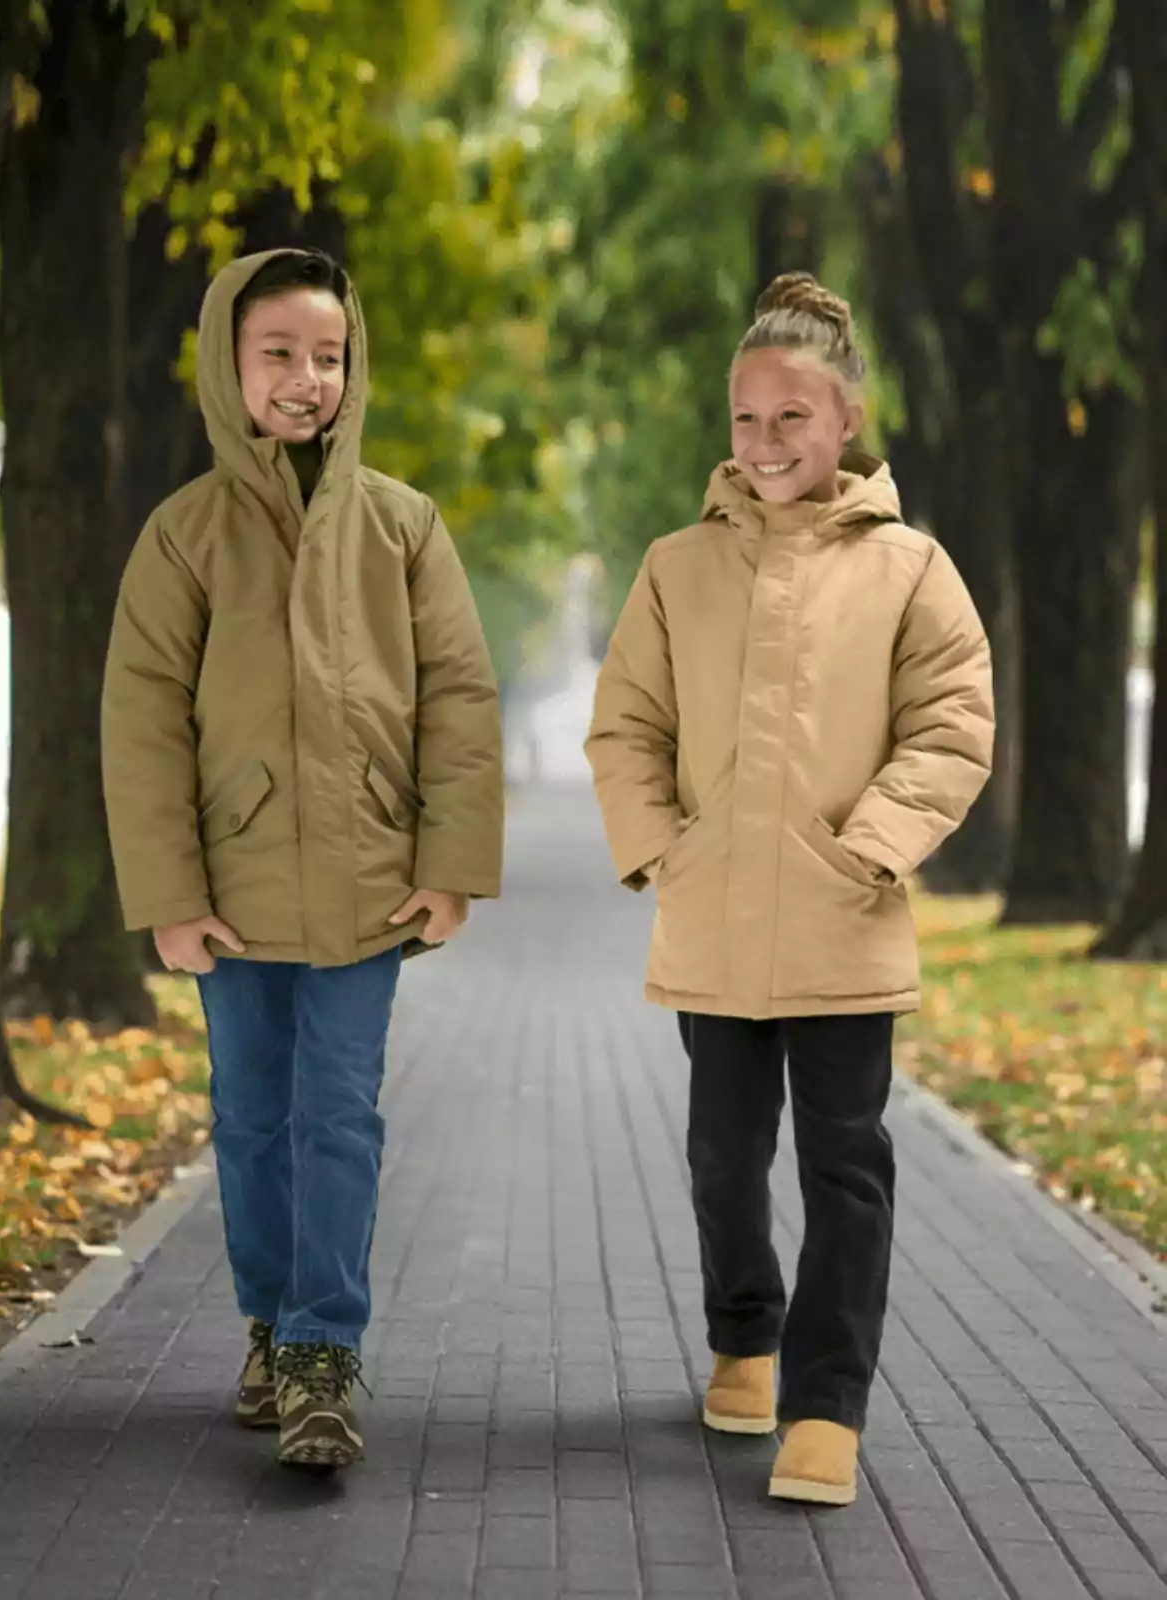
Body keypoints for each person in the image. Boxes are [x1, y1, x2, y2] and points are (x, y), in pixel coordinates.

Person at [584, 272, 994, 1507]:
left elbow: (952, 723)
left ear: (847, 421)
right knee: (721, 1156)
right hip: (713, 920)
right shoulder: (676, 566)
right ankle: (745, 1336)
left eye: (793, 420)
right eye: (748, 420)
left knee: (845, 1169)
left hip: (843, 927)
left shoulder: (914, 571)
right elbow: (626, 728)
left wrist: (865, 848)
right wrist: (668, 847)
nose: (766, 443)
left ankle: (829, 1404)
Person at [102, 248, 503, 1471]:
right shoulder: (186, 536)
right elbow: (142, 718)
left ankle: (325, 1351)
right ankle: (270, 1323)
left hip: (371, 886)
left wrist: (448, 864)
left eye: (328, 356)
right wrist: (169, 897)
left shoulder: (403, 527)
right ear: (229, 366)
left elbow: (461, 698)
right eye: (278, 352)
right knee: (248, 1121)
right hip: (228, 895)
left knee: (339, 1115)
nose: (306, 378)